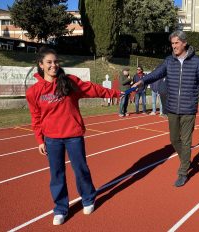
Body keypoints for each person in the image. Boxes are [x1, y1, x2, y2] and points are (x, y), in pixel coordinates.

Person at [26, 47, 121, 225]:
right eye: (49, 62)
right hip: (52, 139)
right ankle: (61, 208)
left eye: (55, 61)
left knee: (81, 170)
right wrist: (40, 140)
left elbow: (93, 89)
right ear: (41, 65)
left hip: (73, 136)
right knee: (57, 174)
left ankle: (88, 198)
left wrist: (116, 93)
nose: (53, 65)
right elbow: (36, 117)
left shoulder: (69, 82)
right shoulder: (34, 92)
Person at [133, 30, 199, 187]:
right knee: (174, 139)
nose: (174, 46)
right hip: (172, 107)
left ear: (184, 43)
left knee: (186, 141)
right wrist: (142, 81)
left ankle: (183, 172)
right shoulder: (169, 61)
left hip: (189, 108)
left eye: (176, 43)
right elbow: (156, 73)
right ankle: (186, 161)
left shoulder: (197, 61)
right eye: (172, 44)